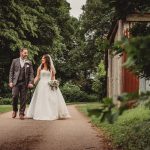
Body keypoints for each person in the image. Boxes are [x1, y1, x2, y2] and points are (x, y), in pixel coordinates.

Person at [26, 54, 71, 120]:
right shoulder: (40, 67)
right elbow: (37, 76)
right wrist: (33, 83)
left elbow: (53, 77)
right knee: (40, 100)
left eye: (43, 58)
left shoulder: (51, 68)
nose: (42, 59)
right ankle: (40, 113)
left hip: (49, 85)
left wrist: (54, 84)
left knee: (50, 100)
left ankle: (51, 113)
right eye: (42, 58)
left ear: (47, 59)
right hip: (41, 85)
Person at [9, 48, 34, 120]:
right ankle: (14, 110)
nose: (26, 54)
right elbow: (11, 72)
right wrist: (10, 81)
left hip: (24, 83)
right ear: (21, 53)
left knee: (23, 98)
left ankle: (21, 113)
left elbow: (31, 74)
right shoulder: (15, 61)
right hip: (15, 82)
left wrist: (30, 82)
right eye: (25, 53)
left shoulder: (29, 62)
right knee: (14, 96)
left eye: (27, 53)